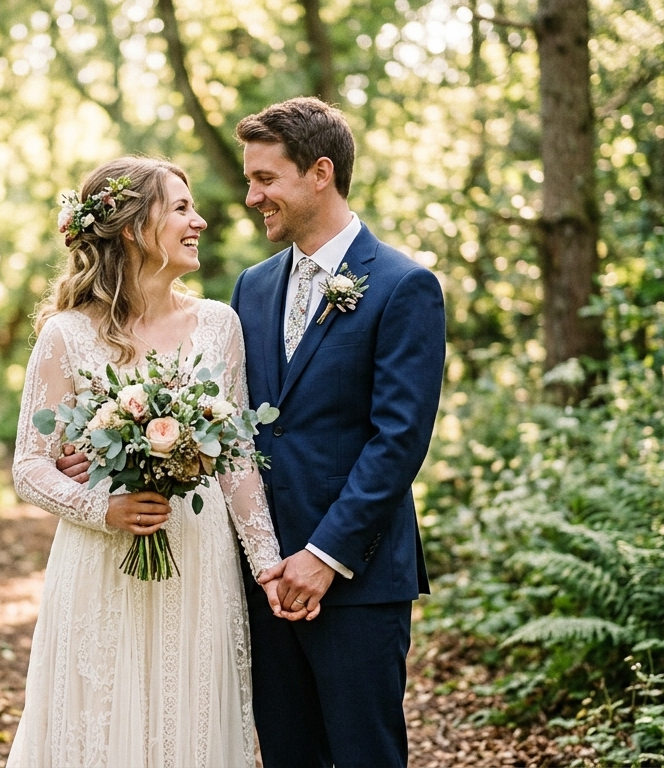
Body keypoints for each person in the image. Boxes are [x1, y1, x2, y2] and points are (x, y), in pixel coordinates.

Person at [7, 156, 289, 768]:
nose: (201, 221)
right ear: (134, 229)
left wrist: (267, 564)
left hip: (197, 551)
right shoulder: (66, 335)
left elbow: (237, 454)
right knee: (103, 718)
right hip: (101, 558)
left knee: (190, 718)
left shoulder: (220, 325)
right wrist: (102, 507)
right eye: (181, 208)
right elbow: (30, 464)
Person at [231, 97, 446, 767]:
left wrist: (324, 556)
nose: (250, 196)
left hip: (358, 576)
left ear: (320, 172)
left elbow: (398, 440)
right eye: (249, 180)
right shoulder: (251, 287)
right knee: (288, 754)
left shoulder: (405, 286)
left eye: (265, 179)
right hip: (264, 577)